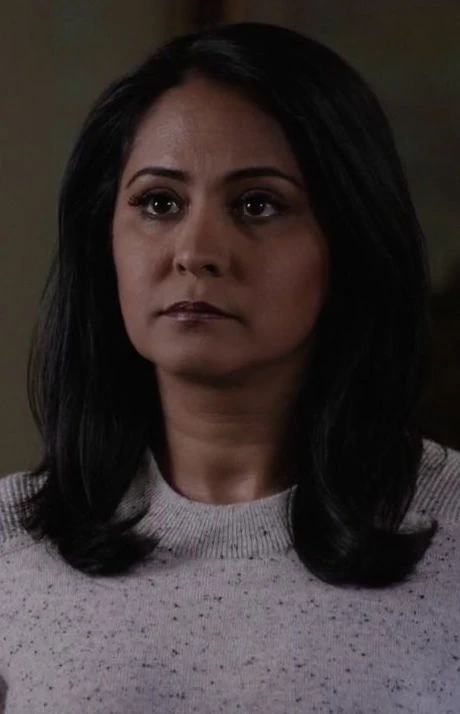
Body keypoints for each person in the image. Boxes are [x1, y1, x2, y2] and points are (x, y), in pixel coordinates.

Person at [0, 21, 459, 714]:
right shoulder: (13, 545)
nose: (196, 251)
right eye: (160, 203)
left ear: (349, 240)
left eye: (257, 204)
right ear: (106, 242)